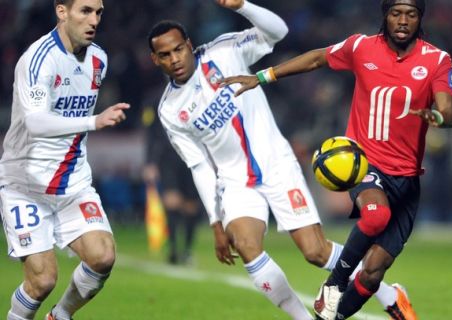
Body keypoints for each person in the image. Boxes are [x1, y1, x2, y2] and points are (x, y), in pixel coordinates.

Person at [148, 1, 418, 319]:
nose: (175, 59)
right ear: (156, 60)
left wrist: (243, 6)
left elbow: (278, 31)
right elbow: (198, 165)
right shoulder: (169, 110)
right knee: (247, 246)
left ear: (189, 45)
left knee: (316, 252)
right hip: (235, 182)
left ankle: (389, 293)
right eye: (165, 55)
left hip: (277, 164)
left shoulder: (224, 52)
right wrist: (216, 221)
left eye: (179, 49)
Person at [221, 0, 452, 319]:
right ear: (385, 16)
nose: (403, 21)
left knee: (373, 273)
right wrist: (262, 77)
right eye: (396, 13)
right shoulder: (360, 47)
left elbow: (448, 110)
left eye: (411, 14)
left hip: (407, 179)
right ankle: (333, 284)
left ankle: (336, 314)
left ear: (420, 18)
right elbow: (318, 58)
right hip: (364, 164)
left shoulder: (437, 60)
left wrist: (438, 118)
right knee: (375, 217)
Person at [0, 0, 130, 319]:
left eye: (98, 12)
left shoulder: (99, 58)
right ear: (62, 12)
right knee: (42, 281)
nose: (94, 19)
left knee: (102, 256)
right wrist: (92, 121)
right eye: (85, 10)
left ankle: (60, 316)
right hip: (25, 184)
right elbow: (36, 122)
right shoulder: (38, 59)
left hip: (73, 182)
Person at [142, 107, 202, 265]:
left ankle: (187, 250)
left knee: (191, 205)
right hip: (168, 158)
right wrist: (150, 162)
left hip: (192, 157)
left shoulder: (196, 93)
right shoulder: (155, 100)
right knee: (172, 201)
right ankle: (174, 250)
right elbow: (150, 134)